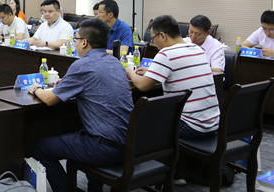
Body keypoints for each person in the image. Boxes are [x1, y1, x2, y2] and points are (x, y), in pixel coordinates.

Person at [29, 18, 133, 192]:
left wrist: (36, 89)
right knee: (80, 135)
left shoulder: (82, 65)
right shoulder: (116, 62)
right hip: (128, 144)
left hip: (102, 148)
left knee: (40, 148)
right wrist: (68, 83)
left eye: (75, 40)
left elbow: (49, 99)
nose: (75, 43)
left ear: (84, 42)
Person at [127, 15, 220, 139]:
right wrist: (152, 71)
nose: (154, 43)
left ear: (162, 36)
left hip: (190, 126)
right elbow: (180, 70)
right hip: (212, 123)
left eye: (153, 38)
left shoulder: (166, 53)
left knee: (138, 119)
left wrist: (130, 72)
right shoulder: (197, 49)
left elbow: (142, 85)